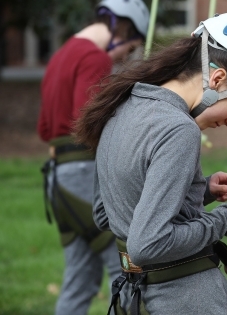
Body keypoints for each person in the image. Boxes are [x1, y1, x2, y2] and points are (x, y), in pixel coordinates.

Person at [73, 10, 227, 315]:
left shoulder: (121, 107)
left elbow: (109, 214)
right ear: (218, 79)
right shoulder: (178, 128)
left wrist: (198, 188)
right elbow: (148, 243)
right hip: (187, 299)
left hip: (133, 298)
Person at [36, 0, 149, 314]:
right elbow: (87, 122)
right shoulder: (94, 57)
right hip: (85, 178)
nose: (123, 58)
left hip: (58, 182)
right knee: (126, 271)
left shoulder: (60, 56)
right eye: (129, 50)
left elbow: (45, 128)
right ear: (122, 28)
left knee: (81, 279)